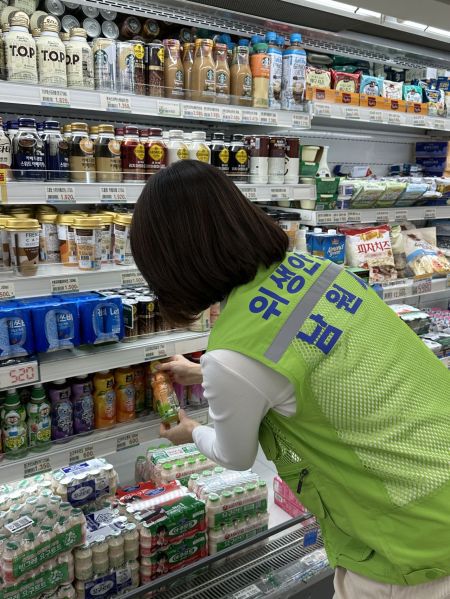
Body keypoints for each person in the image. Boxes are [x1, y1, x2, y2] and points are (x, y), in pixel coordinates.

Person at [131, 160, 450, 599]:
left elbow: (234, 454)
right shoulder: (316, 270)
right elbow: (316, 360)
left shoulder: (232, 355)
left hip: (411, 540)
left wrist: (191, 431)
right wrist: (204, 370)